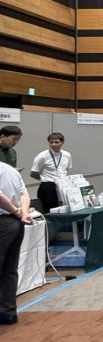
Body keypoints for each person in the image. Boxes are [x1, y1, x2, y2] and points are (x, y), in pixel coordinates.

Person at [0, 161, 34, 326]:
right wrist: (23, 213)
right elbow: (24, 194)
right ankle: (8, 313)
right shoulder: (10, 170)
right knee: (9, 269)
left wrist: (15, 211)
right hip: (15, 223)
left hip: (4, 220)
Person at [30, 132, 73, 213]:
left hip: (63, 186)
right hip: (48, 187)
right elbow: (33, 173)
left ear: (62, 142)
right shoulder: (42, 156)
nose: (53, 144)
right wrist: (45, 179)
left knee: (64, 209)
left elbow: (66, 169)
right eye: (51, 142)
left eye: (56, 142)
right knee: (50, 211)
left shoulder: (67, 155)